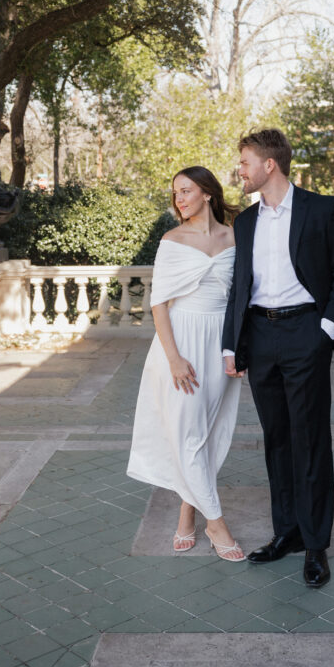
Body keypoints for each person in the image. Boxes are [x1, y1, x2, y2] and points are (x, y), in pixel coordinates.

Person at [222, 129, 334, 587]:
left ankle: (316, 545)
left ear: (269, 165)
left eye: (244, 162)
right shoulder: (245, 222)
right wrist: (232, 345)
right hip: (260, 336)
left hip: (306, 332)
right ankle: (287, 534)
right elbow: (239, 288)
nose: (239, 171)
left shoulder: (322, 208)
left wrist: (326, 330)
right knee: (276, 439)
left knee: (310, 440)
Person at [127, 166, 245, 561]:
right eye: (176, 193)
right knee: (187, 437)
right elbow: (158, 304)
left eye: (187, 190)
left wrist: (238, 348)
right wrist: (175, 359)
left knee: (208, 434)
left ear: (208, 193)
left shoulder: (235, 237)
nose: (179, 199)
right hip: (180, 343)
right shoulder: (171, 240)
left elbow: (241, 299)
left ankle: (186, 511)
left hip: (220, 343)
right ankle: (217, 524)